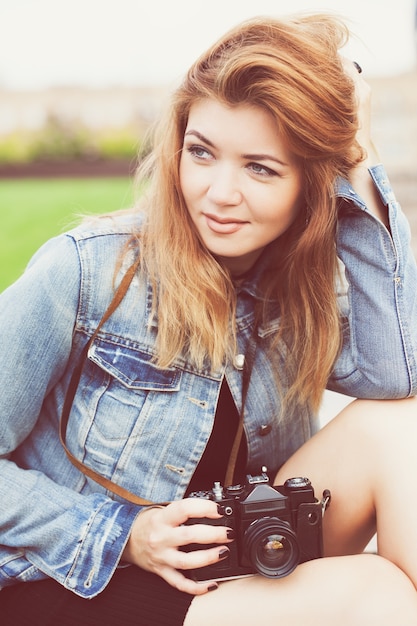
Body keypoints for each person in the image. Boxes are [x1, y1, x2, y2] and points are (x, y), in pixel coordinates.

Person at [1, 12, 417, 626]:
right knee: (376, 594)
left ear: (312, 181)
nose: (219, 192)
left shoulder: (301, 286)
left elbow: (398, 376)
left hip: (227, 558)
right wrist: (124, 534)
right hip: (77, 576)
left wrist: (357, 162)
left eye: (261, 167)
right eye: (201, 153)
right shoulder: (84, 271)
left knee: (399, 428)